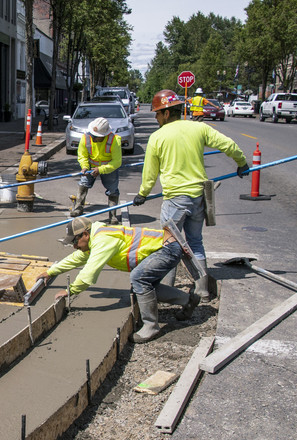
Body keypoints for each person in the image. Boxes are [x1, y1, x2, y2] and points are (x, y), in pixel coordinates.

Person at [132, 89, 249, 301]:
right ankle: (203, 290)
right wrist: (241, 163)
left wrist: (142, 194)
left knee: (169, 245)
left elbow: (150, 173)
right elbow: (228, 145)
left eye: (157, 113)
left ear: (167, 113)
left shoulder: (157, 137)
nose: (156, 118)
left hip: (176, 198)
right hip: (198, 197)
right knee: (195, 242)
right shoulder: (199, 128)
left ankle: (167, 290)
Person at [36, 217, 200, 343]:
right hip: (165, 247)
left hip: (166, 249)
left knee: (138, 279)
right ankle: (188, 300)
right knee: (145, 285)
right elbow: (76, 258)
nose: (74, 246)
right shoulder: (94, 239)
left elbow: (89, 272)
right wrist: (50, 272)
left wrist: (71, 290)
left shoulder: (103, 240)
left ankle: (151, 326)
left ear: (85, 234)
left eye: (74, 241)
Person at [70, 117, 122, 224]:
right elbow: (82, 155)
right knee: (83, 184)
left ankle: (112, 215)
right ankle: (78, 208)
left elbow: (117, 162)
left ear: (105, 135)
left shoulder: (114, 140)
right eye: (93, 135)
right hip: (90, 166)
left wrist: (101, 169)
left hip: (108, 168)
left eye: (96, 136)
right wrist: (84, 166)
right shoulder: (85, 138)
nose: (93, 137)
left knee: (112, 190)